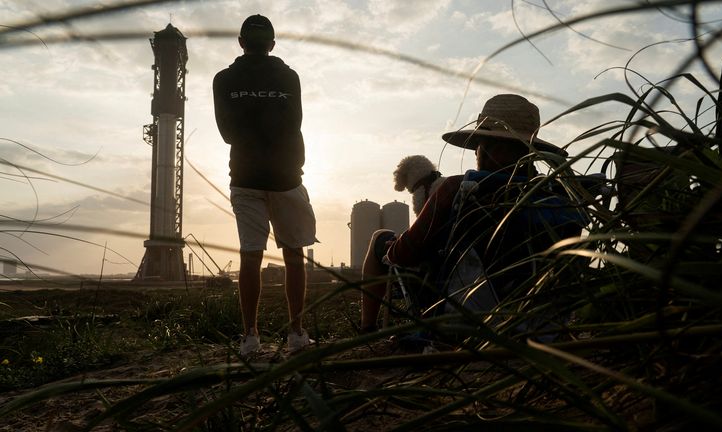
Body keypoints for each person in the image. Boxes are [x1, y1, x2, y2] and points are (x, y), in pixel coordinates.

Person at [360, 94, 580, 334]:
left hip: (463, 313)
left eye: (478, 145)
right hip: (539, 322)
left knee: (381, 237)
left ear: (485, 149)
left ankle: (367, 329)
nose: (476, 152)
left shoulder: (457, 189)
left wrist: (393, 246)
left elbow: (405, 254)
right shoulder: (558, 196)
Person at [213, 14, 317, 355]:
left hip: (244, 176)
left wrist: (251, 122)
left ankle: (250, 337)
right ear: (272, 44)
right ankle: (297, 334)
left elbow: (228, 133)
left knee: (249, 257)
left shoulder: (224, 80)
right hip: (286, 177)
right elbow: (294, 124)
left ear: (241, 43)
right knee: (294, 256)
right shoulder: (289, 77)